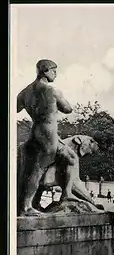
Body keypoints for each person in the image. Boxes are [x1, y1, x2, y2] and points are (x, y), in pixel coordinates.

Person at [16, 59, 77, 216]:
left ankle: (67, 194)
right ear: (45, 71)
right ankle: (26, 207)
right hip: (48, 135)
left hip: (35, 131)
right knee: (37, 170)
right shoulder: (52, 90)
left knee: (70, 157)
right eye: (53, 70)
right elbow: (68, 109)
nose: (55, 73)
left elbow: (14, 108)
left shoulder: (25, 92)